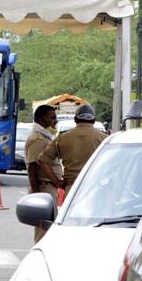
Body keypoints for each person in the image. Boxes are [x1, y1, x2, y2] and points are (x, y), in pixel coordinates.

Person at [38, 104, 108, 197]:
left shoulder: (62, 138)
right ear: (94, 120)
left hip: (71, 188)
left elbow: (42, 160)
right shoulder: (104, 139)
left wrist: (57, 182)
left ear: (75, 119)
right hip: (96, 187)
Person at [25, 105, 62, 243]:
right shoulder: (38, 139)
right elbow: (32, 167)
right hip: (43, 189)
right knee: (43, 232)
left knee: (48, 229)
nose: (55, 120)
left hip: (48, 189)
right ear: (42, 118)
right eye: (52, 117)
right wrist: (37, 195)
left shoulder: (44, 136)